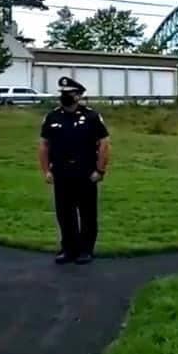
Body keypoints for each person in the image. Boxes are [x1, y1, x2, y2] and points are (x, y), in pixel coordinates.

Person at [38, 76, 110, 265]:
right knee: (64, 213)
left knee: (87, 213)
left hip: (85, 173)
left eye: (69, 93)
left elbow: (104, 144)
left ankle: (86, 250)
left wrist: (100, 170)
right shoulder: (52, 117)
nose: (65, 96)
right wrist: (46, 171)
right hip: (61, 173)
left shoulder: (91, 117)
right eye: (63, 93)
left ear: (78, 96)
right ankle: (68, 249)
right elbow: (44, 145)